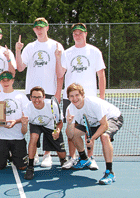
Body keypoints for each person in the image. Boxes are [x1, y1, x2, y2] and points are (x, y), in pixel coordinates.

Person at [55, 23, 106, 170]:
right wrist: (58, 58)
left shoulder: (94, 51)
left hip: (89, 99)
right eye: (75, 33)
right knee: (72, 128)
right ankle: (72, 158)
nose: (77, 35)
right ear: (73, 35)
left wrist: (101, 97)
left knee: (90, 129)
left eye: (80, 33)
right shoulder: (67, 52)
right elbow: (60, 74)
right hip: (70, 99)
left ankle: (90, 158)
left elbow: (101, 75)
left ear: (86, 34)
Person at [16, 17, 65, 167]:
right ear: (34, 29)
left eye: (42, 27)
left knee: (50, 124)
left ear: (47, 28)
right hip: (31, 93)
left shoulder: (56, 46)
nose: (39, 29)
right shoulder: (30, 47)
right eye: (36, 27)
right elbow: (20, 68)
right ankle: (34, 153)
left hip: (50, 92)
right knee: (34, 124)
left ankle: (47, 155)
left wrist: (57, 92)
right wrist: (17, 51)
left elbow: (60, 73)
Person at [65, 83, 123, 185]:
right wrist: (69, 124)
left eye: (77, 95)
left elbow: (104, 125)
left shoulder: (94, 103)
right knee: (74, 133)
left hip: (111, 118)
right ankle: (84, 159)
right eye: (71, 96)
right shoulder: (70, 109)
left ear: (82, 95)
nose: (74, 98)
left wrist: (92, 139)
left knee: (104, 137)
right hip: (93, 122)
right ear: (68, 98)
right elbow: (70, 135)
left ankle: (110, 172)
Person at [21, 86, 66, 180]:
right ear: (30, 98)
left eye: (39, 97)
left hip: (50, 126)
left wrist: (57, 131)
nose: (36, 100)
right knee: (33, 137)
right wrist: (24, 125)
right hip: (35, 125)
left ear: (44, 97)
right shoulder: (27, 107)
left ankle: (63, 160)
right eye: (34, 97)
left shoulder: (52, 104)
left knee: (62, 154)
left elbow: (60, 121)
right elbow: (23, 131)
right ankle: (30, 166)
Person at [0, 71, 29, 170]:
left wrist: (15, 121)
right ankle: (6, 156)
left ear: (12, 81)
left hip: (17, 137)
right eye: (3, 80)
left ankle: (14, 156)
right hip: (0, 137)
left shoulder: (21, 96)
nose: (6, 82)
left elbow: (27, 116)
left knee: (22, 167)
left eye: (8, 80)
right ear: (0, 82)